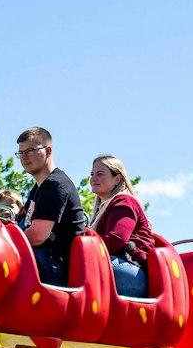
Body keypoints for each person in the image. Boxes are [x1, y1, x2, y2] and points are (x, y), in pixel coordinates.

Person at [14, 127, 88, 286]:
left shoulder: (55, 185)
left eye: (31, 150)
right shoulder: (39, 188)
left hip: (56, 267)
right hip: (42, 260)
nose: (24, 157)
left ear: (48, 151)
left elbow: (37, 236)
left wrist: (2, 243)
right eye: (21, 152)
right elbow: (21, 221)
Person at [86, 155, 155, 297]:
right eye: (92, 174)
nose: (93, 178)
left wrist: (82, 248)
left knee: (79, 263)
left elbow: (115, 239)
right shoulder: (102, 209)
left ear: (117, 179)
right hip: (119, 266)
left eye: (100, 174)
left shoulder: (124, 201)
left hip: (131, 272)